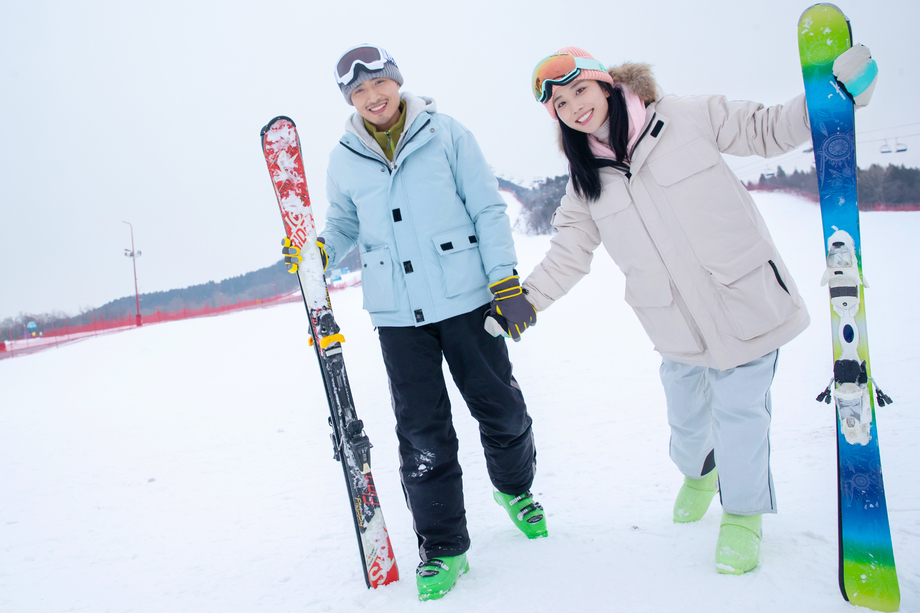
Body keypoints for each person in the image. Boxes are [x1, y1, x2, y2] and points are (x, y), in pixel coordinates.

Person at [504, 45, 877, 575]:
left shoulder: (684, 116)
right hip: (674, 324)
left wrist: (835, 98)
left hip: (744, 302)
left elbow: (766, 129)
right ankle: (699, 472)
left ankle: (744, 515)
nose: (574, 107)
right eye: (560, 104)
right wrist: (527, 300)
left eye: (579, 91)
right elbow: (568, 252)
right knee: (687, 419)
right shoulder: (585, 181)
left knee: (740, 413)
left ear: (605, 84)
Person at [285, 44, 546, 601]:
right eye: (358, 91)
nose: (372, 97)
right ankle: (444, 548)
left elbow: (488, 209)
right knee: (422, 434)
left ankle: (515, 489)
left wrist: (505, 281)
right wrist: (319, 252)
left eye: (379, 84)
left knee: (502, 408)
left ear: (398, 83)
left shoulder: (446, 133)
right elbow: (342, 223)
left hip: (471, 300)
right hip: (398, 317)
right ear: (349, 100)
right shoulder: (344, 157)